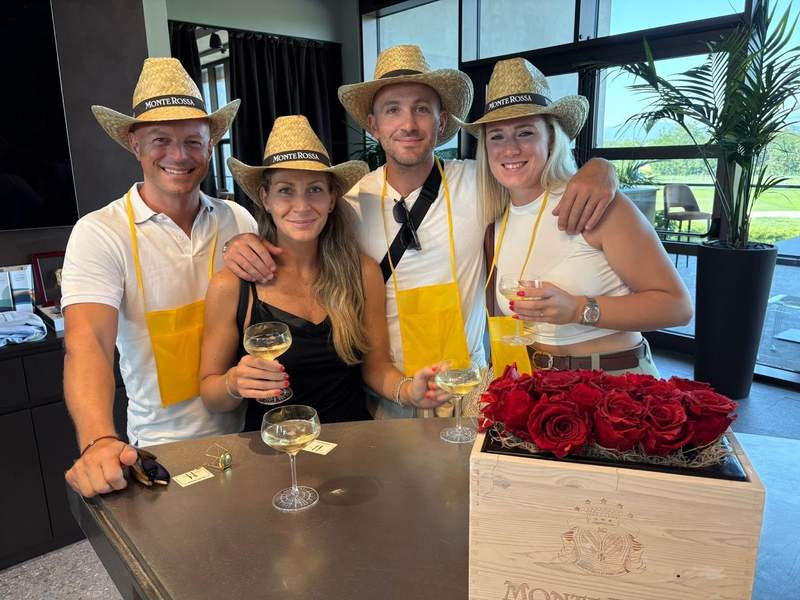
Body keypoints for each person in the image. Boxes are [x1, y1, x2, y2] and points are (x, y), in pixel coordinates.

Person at [223, 45, 619, 419]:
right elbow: (297, 230)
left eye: (422, 110)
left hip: (468, 390)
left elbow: (535, 170)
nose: (408, 124)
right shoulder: (351, 203)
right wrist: (242, 241)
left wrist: (600, 168)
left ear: (442, 121)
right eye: (393, 110)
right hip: (388, 392)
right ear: (374, 125)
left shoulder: (480, 182)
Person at [62, 58, 258, 498]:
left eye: (193, 141)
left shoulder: (239, 220)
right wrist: (98, 440)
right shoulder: (100, 233)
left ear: (211, 145)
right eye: (161, 140)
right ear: (135, 144)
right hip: (162, 449)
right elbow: (87, 340)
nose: (179, 155)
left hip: (248, 434)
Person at [199, 115, 450, 429]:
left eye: (315, 190)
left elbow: (376, 369)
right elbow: (210, 392)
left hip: (353, 449)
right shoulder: (232, 286)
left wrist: (408, 391)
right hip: (277, 455)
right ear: (265, 199)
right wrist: (233, 384)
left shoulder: (362, 273)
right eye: (286, 191)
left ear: (332, 199)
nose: (302, 206)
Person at [458, 58, 692, 376]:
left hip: (613, 384)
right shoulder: (497, 221)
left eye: (525, 133)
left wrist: (580, 309)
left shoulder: (594, 203)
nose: (509, 149)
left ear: (551, 139)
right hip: (538, 387)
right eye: (496, 136)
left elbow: (677, 307)